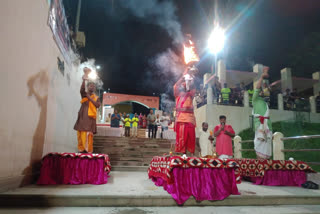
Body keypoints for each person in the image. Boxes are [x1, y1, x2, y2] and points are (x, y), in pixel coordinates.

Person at [74, 75, 101, 153]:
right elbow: (82, 90)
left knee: (88, 135)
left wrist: (89, 98)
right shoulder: (84, 94)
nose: (92, 87)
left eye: (94, 86)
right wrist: (83, 81)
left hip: (89, 119)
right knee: (80, 133)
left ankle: (88, 151)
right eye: (91, 86)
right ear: (88, 87)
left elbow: (97, 105)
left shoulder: (96, 97)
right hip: (82, 117)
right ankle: (81, 149)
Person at [174, 67, 197, 156]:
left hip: (190, 120)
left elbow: (193, 87)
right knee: (181, 139)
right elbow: (175, 86)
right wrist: (183, 77)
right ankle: (181, 155)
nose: (185, 85)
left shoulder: (190, 94)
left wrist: (191, 77)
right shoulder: (177, 95)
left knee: (191, 139)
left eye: (185, 85)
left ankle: (190, 155)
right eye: (183, 85)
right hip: (181, 119)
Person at [252, 67, 273, 159]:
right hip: (259, 125)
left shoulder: (265, 102)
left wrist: (266, 83)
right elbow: (257, 88)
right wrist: (261, 77)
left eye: (262, 90)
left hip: (268, 126)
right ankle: (259, 170)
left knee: (267, 148)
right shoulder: (255, 100)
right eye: (260, 90)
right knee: (259, 147)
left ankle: (266, 171)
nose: (261, 91)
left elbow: (268, 90)